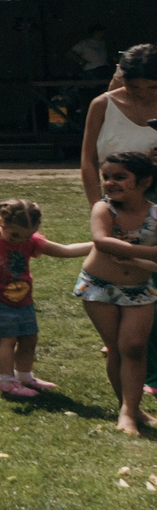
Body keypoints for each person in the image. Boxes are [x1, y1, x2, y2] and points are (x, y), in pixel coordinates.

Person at [0, 200, 88, 399]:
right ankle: (6, 383)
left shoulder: (30, 240)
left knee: (29, 337)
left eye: (27, 236)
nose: (20, 241)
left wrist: (99, 244)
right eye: (15, 235)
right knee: (7, 339)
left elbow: (66, 250)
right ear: (1, 222)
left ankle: (25, 377)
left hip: (22, 297)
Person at [79, 151, 157, 434]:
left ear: (145, 180)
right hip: (100, 287)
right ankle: (129, 412)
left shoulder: (155, 213)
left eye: (120, 177)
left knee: (134, 347)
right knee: (118, 348)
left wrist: (137, 257)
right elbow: (103, 242)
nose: (110, 183)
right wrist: (150, 252)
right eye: (107, 177)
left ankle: (131, 409)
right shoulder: (103, 209)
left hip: (139, 289)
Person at [79, 43, 157, 212]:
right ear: (123, 78)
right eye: (134, 87)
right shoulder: (102, 105)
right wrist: (97, 207)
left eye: (153, 87)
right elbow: (88, 161)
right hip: (119, 201)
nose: (143, 93)